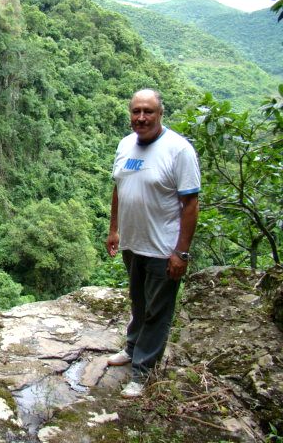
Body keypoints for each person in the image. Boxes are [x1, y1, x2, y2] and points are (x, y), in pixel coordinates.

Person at [105, 88, 200, 399]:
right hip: (133, 243)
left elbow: (190, 204)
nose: (141, 117)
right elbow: (119, 188)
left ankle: (143, 371)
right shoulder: (125, 145)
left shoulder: (179, 150)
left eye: (148, 111)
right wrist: (114, 229)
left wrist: (181, 252)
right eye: (136, 111)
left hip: (163, 248)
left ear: (160, 114)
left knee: (157, 311)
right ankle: (133, 347)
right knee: (138, 301)